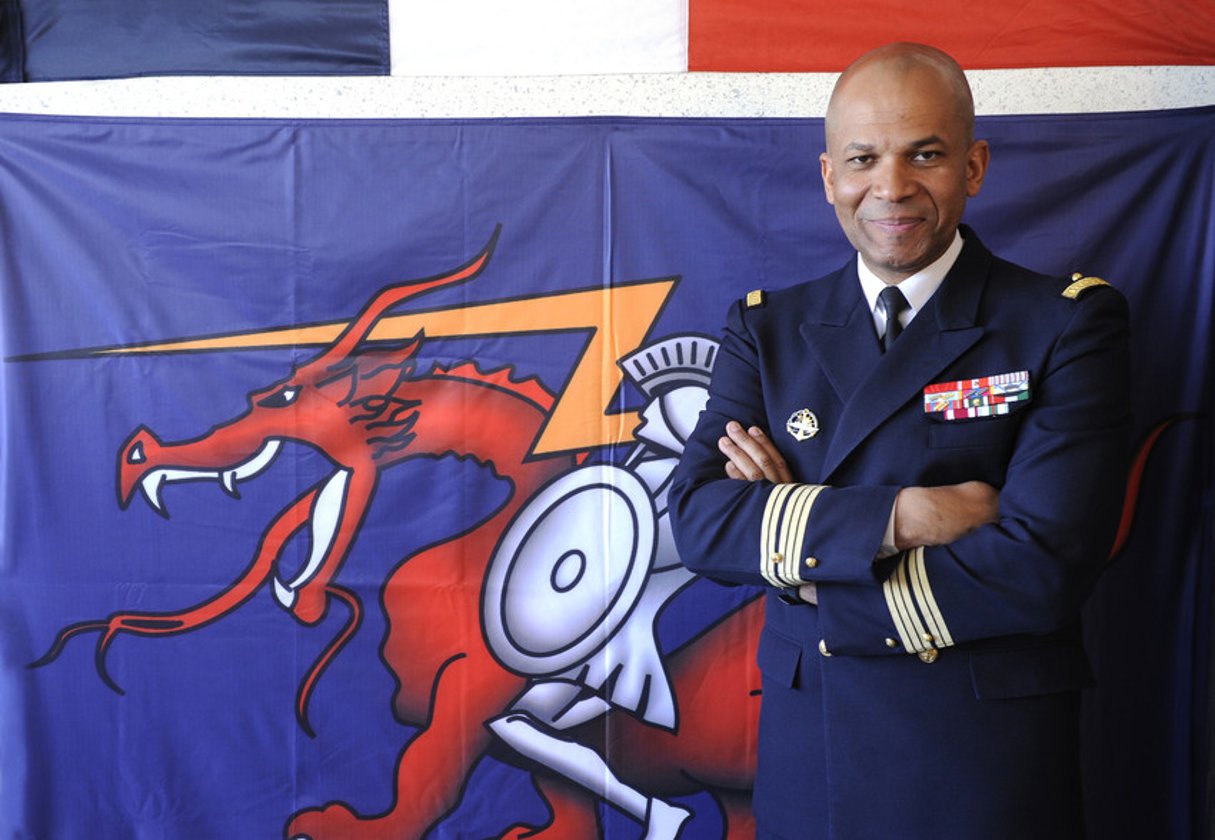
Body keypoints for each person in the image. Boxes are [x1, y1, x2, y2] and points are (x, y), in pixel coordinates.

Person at [668, 42, 1131, 839]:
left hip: (980, 758)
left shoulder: (1064, 322)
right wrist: (907, 514)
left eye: (925, 154)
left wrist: (807, 574)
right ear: (827, 178)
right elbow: (702, 522)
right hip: (813, 750)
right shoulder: (765, 329)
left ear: (974, 166)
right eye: (862, 158)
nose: (890, 187)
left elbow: (1040, 567)